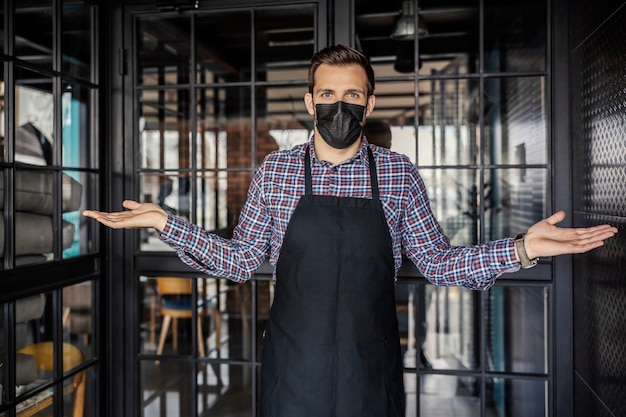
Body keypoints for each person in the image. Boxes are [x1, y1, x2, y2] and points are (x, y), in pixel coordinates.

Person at [83, 44, 617, 417]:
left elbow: (436, 262)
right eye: (330, 94)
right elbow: (243, 260)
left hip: (372, 371)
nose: (342, 105)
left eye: (354, 96)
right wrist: (165, 222)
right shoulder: (277, 170)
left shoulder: (398, 172)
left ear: (370, 103)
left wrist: (523, 248)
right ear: (311, 101)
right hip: (294, 370)